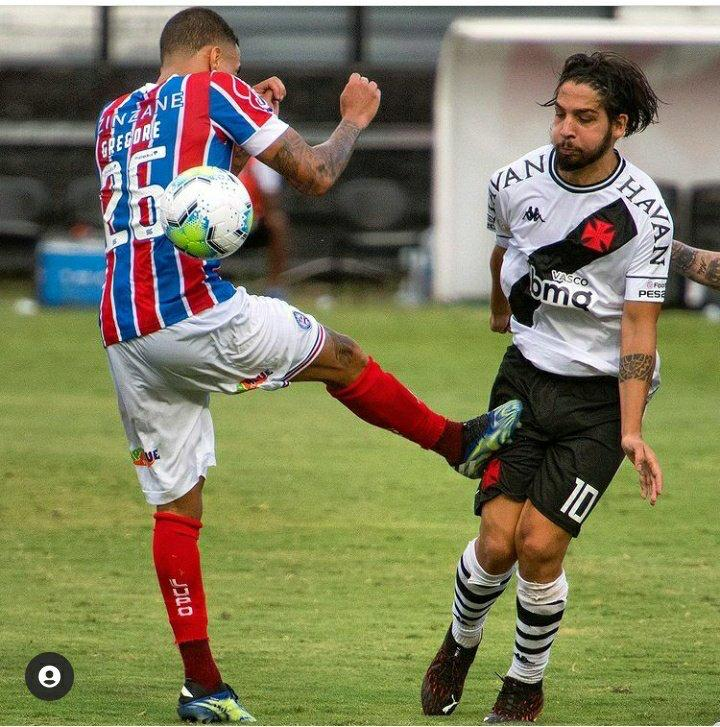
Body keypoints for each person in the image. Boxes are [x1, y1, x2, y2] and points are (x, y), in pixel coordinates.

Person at [94, 7, 522, 723]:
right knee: (341, 356)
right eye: (234, 70)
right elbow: (317, 174)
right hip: (192, 309)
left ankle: (203, 687)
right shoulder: (214, 89)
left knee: (176, 507)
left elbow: (186, 193)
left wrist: (242, 131)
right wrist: (352, 119)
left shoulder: (114, 116)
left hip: (125, 326)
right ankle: (457, 443)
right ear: (213, 59)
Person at [421, 51, 671, 723]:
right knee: (496, 541)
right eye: (559, 114)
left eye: (584, 118)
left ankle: (524, 682)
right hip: (524, 381)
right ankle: (459, 643)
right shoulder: (513, 181)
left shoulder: (643, 213)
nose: (565, 129)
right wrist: (500, 312)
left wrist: (630, 430)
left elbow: (639, 326)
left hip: (598, 402)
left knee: (538, 544)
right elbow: (505, 249)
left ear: (619, 124)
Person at [234, 156, 289, 298]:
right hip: (221, 224)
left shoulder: (261, 161)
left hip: (253, 225)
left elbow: (271, 198)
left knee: (277, 222)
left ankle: (275, 288)